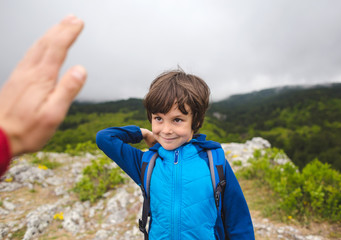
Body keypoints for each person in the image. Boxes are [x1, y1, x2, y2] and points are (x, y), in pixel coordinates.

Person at [96, 70, 255, 239]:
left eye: (177, 120)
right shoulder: (147, 163)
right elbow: (105, 138)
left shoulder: (214, 161)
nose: (166, 130)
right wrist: (142, 133)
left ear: (196, 121)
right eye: (158, 118)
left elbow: (238, 220)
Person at [0, 15, 87, 177]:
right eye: (151, 117)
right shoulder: (144, 160)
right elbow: (105, 137)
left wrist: (8, 135)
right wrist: (7, 136)